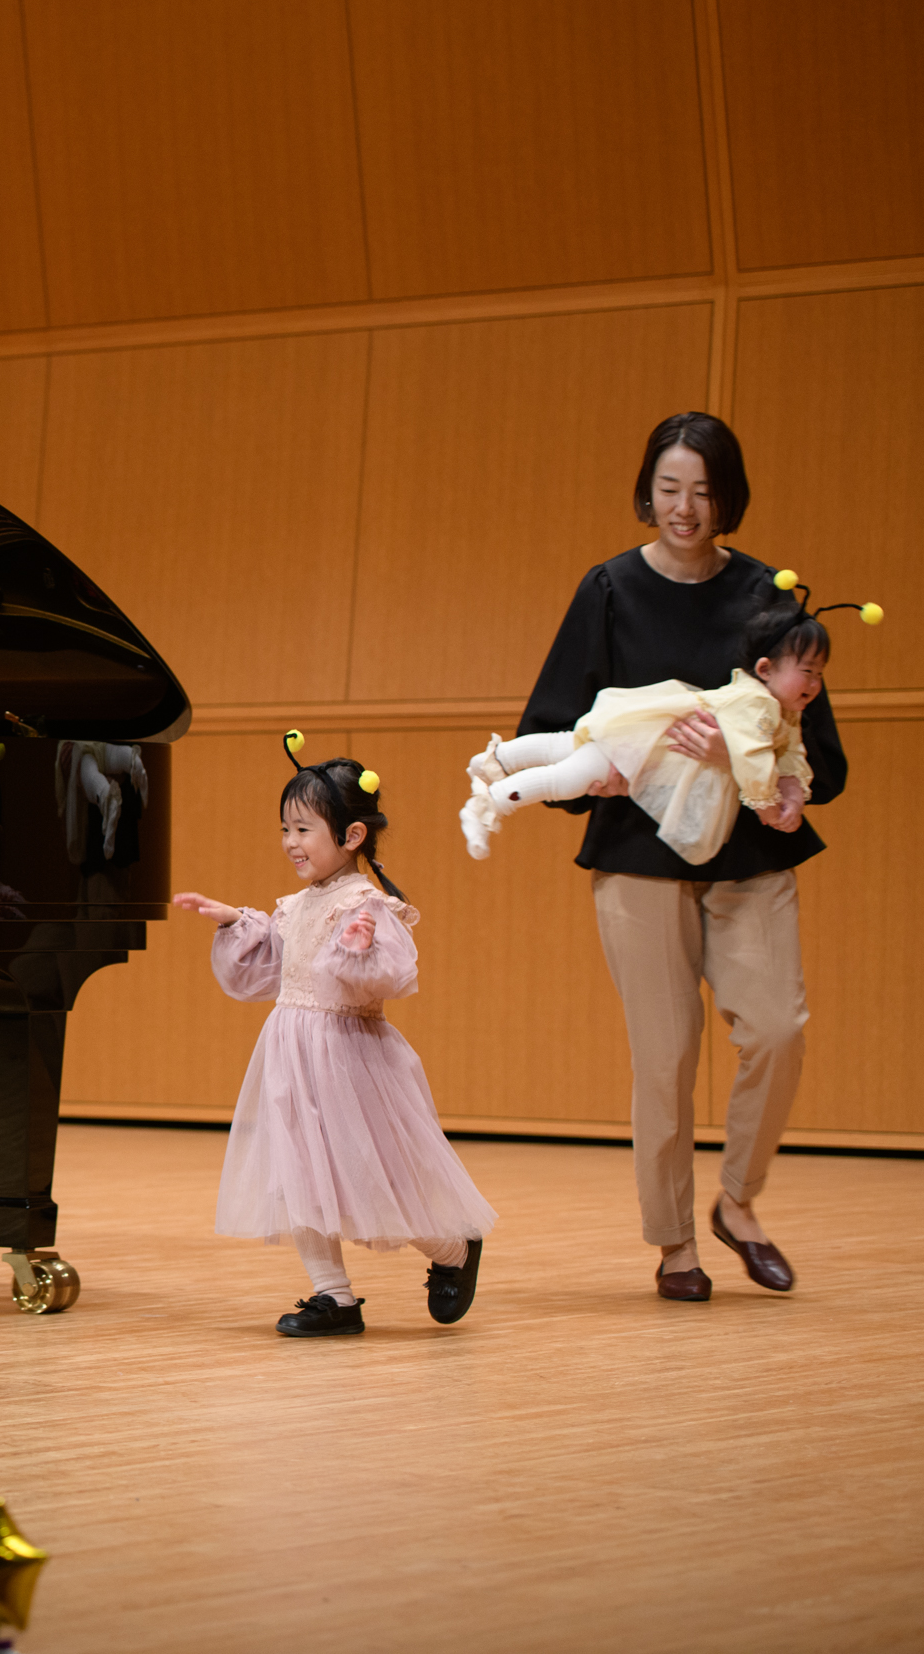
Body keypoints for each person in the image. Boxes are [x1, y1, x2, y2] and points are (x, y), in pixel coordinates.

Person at [516, 412, 845, 1301]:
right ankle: (674, 1246)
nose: (684, 507)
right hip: (638, 855)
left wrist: (758, 770)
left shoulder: (768, 594)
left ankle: (737, 1202)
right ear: (647, 490)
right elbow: (549, 725)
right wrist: (622, 766)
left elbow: (815, 741)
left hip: (750, 853)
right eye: (669, 488)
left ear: (727, 495)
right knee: (664, 1059)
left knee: (777, 1029)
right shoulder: (609, 588)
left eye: (701, 490)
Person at [173, 741, 496, 1337]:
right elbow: (271, 970)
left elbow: (388, 976)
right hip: (292, 1055)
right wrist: (234, 921)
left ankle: (453, 1248)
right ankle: (334, 1298)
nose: (290, 842)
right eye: (285, 829)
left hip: (349, 1059)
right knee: (297, 1172)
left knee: (373, 1174)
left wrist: (359, 950)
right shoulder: (295, 906)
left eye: (303, 829)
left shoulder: (365, 904)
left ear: (351, 836)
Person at [461, 582, 875, 863]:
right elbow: (751, 759)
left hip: (638, 738)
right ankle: (488, 805)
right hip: (642, 749)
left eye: (820, 673)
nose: (815, 684)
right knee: (569, 777)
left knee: (568, 745)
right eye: (807, 672)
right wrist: (768, 806)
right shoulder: (757, 704)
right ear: (765, 668)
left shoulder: (785, 713)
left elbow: (791, 758)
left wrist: (793, 793)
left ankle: (497, 759)